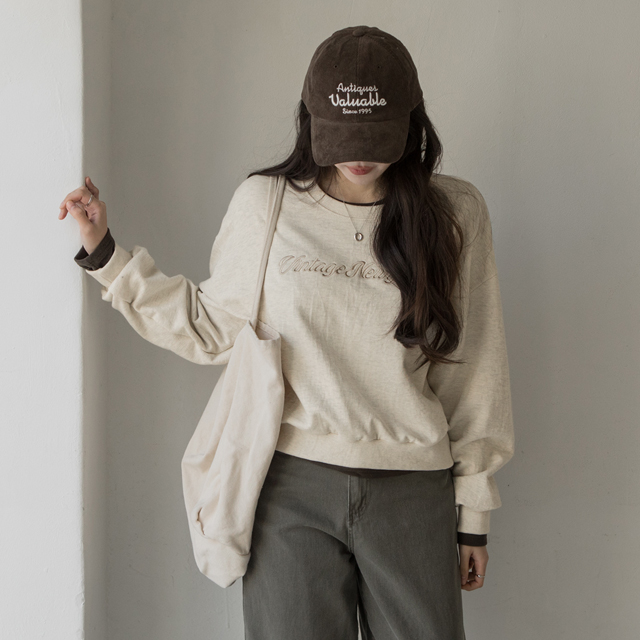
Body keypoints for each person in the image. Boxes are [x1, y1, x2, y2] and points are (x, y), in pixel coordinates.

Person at [58, 25, 514, 640]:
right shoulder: (267, 204)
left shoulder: (455, 214)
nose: (360, 157)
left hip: (413, 491)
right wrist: (107, 256)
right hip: (291, 489)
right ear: (311, 122)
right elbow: (211, 329)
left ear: (411, 123)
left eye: (376, 139)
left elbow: (476, 366)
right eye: (343, 138)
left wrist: (474, 512)